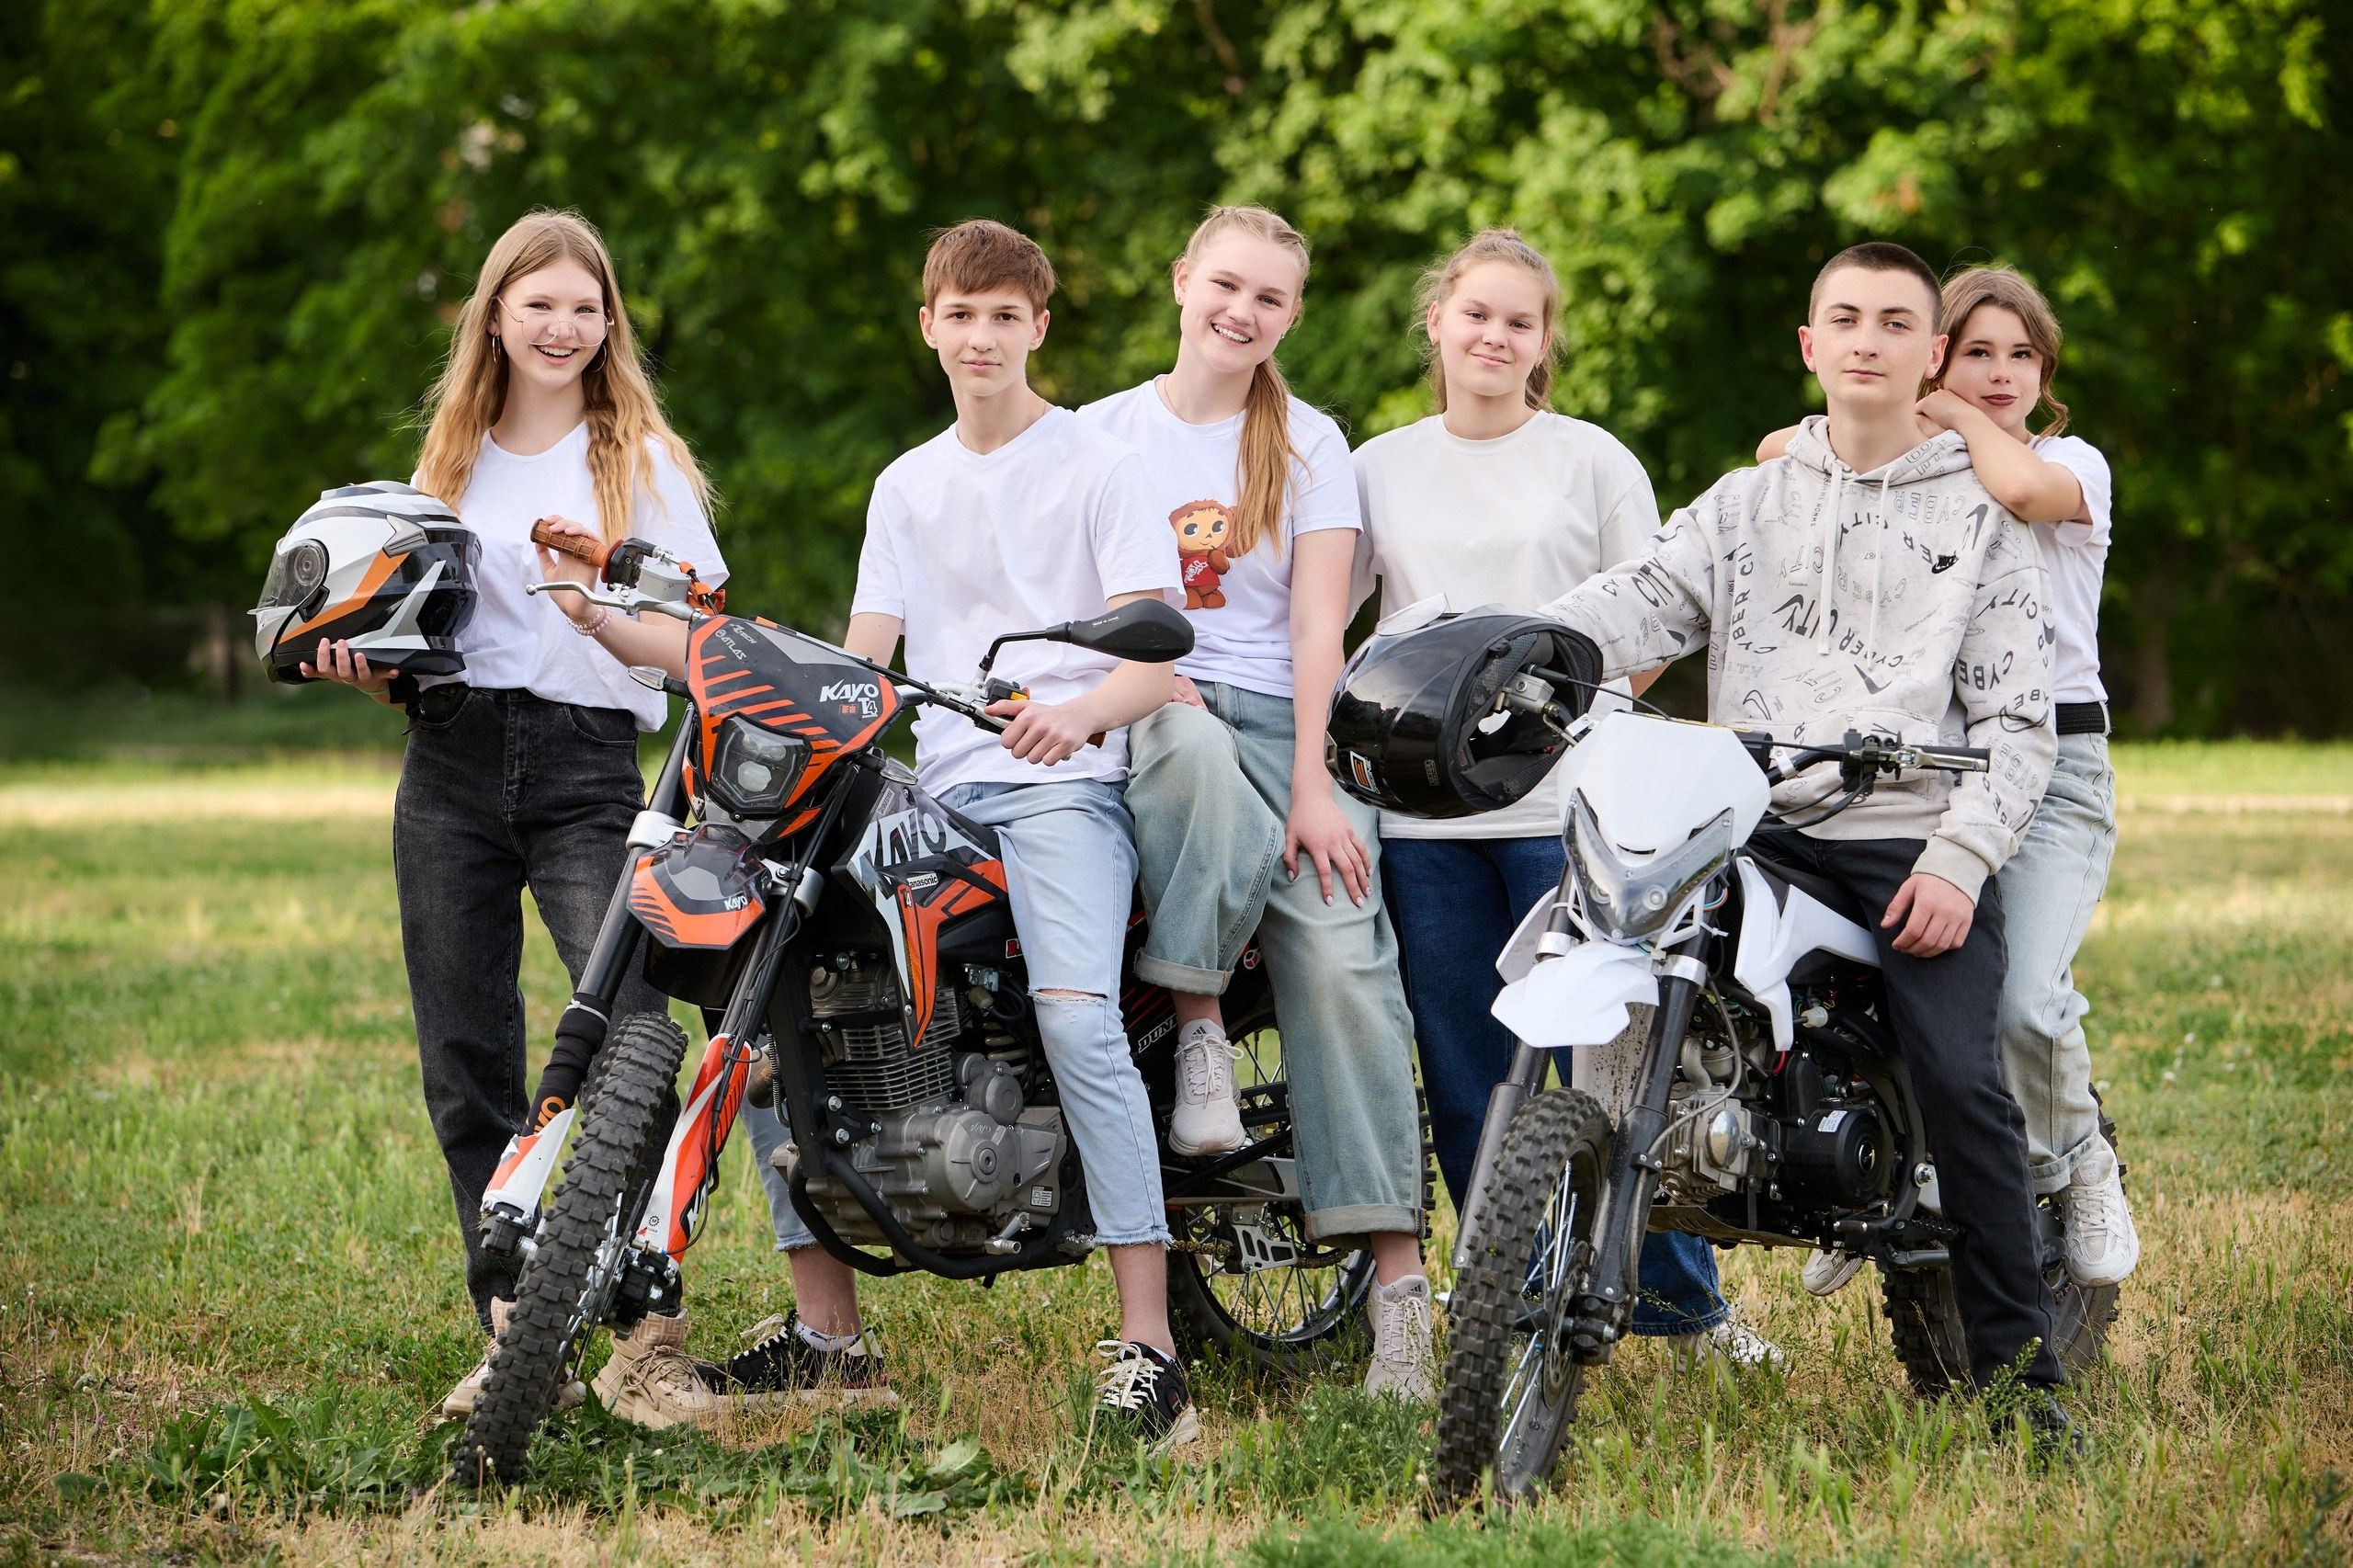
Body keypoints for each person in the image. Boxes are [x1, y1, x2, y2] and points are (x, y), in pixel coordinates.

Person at [1540, 242, 2077, 1446]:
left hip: (1908, 837)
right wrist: (1507, 642)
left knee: (1960, 1080)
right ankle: (1560, 1293)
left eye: (1897, 321)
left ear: (1932, 355)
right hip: (1758, 820)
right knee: (1620, 953)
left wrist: (1959, 857)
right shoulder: (1747, 503)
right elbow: (1636, 600)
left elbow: (2017, 725)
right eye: (1846, 317)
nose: (1869, 339)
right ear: (1811, 344)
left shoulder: (1983, 517)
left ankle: (2026, 1390)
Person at [733, 218, 1198, 1449]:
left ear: (1040, 327)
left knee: (1075, 1017)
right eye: (962, 312)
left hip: (1064, 790)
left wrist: (1076, 713)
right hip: (937, 787)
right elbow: (868, 653)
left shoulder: (1098, 465)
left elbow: (1157, 662)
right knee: (788, 1001)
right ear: (927, 323)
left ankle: (1149, 1346)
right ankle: (828, 1337)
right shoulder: (906, 481)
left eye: (1007, 314)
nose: (983, 334)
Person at [301, 209, 727, 1419]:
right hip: (447, 764)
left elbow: (698, 642)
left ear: (609, 326)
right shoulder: (446, 461)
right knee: (467, 1058)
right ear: (495, 312)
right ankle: (511, 1337)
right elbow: (412, 633)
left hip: (591, 769)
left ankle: (648, 1341)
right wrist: (362, 661)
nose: (562, 326)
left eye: (584, 307)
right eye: (538, 303)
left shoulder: (639, 459)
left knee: (638, 1041)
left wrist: (594, 612)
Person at [1351, 229, 1782, 1371]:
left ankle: (1682, 1309)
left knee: (1611, 1063)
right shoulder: (1376, 465)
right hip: (1428, 823)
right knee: (1461, 1067)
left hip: (1575, 804)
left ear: (1543, 342)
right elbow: (1344, 629)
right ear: (1436, 320)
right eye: (1476, 313)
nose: (1495, 335)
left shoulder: (1591, 460)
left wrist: (1532, 726)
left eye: (1520, 321)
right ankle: (1518, 1295)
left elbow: (1650, 628)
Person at [1075, 207, 1433, 1400]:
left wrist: (1321, 783)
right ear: (1181, 279)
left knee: (1344, 960)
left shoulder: (1313, 443)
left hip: (1288, 723)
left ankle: (1398, 1297)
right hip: (1152, 701)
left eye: (1270, 298)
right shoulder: (1100, 434)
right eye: (1226, 284)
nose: (1243, 311)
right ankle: (1201, 1036)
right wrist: (1131, 680)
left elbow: (1320, 627)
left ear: (1291, 316)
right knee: (1179, 745)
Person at [1760, 265, 2140, 1293]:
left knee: (2020, 1002)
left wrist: (1936, 415)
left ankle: (2077, 1164)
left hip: (2050, 761)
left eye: (2023, 355)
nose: (2002, 372)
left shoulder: (2068, 462)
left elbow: (2016, 487)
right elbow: (1772, 458)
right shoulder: (1909, 467)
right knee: (1878, 985)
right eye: (1976, 351)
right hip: (1923, 764)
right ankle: (1890, 1171)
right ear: (1939, 354)